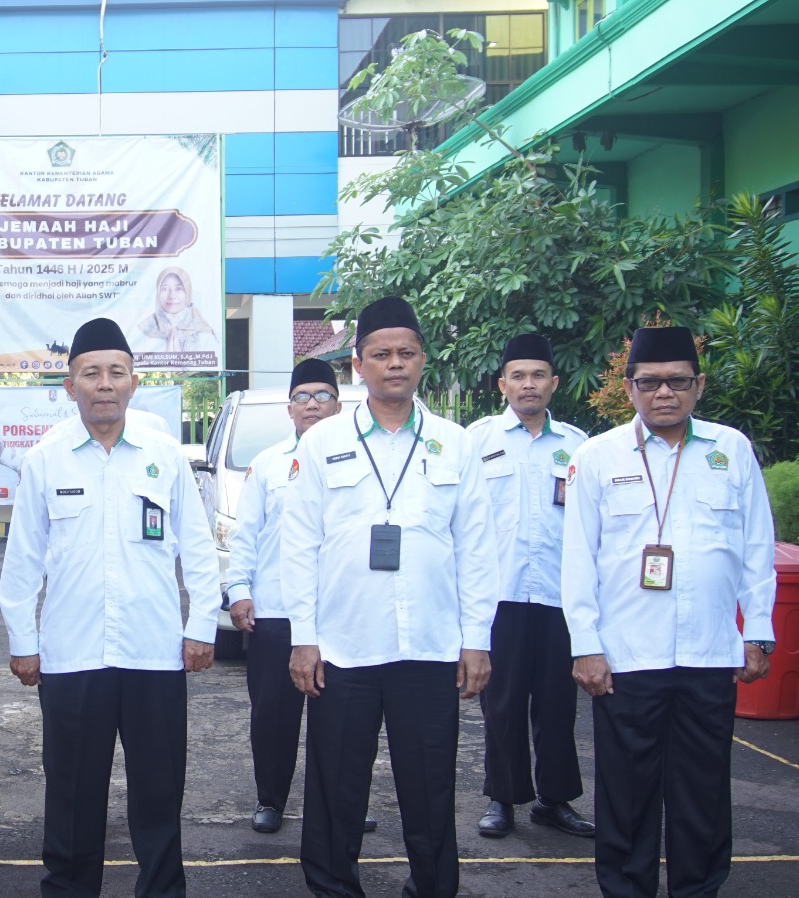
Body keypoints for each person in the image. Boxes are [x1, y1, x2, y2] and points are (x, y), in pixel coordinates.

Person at [279, 295, 497, 898]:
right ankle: (333, 888)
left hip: (429, 645)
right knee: (336, 788)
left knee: (430, 788)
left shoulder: (455, 443)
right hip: (343, 646)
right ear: (358, 365)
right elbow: (299, 546)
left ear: (423, 360)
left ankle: (431, 888)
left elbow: (478, 549)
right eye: (380, 354)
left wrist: (477, 640)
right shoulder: (322, 443)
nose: (394, 363)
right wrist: (304, 639)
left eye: (406, 353)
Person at [0, 317, 221, 898]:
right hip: (72, 657)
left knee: (159, 794)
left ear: (133, 382)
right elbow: (22, 562)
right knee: (72, 796)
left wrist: (201, 625)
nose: (104, 384)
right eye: (91, 373)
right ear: (69, 386)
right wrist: (23, 641)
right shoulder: (46, 459)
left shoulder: (164, 455)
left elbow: (198, 549)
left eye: (116, 373)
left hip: (154, 653)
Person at [562, 325, 775, 898]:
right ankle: (626, 889)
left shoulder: (730, 450)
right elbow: (577, 559)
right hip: (628, 656)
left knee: (703, 789)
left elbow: (757, 546)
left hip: (709, 652)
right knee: (627, 791)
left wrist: (758, 630)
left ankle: (697, 888)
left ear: (698, 385)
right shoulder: (596, 456)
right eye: (650, 382)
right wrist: (585, 645)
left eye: (678, 382)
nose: (664, 393)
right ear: (628, 387)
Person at [226, 358, 374, 836]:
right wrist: (239, 590)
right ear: (289, 408)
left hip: (342, 611)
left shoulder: (363, 459)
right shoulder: (268, 464)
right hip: (277, 610)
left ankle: (343, 804)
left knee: (344, 719)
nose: (313, 405)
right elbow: (246, 534)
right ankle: (270, 799)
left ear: (338, 405)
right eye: (302, 397)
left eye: (323, 395)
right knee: (274, 714)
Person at [465, 334, 594, 840]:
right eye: (517, 376)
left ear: (554, 383)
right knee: (502, 702)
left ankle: (555, 799)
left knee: (559, 704)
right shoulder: (477, 441)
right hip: (500, 596)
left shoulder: (578, 445)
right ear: (502, 384)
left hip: (561, 596)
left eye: (538, 375)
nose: (528, 384)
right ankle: (503, 797)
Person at [132, 266, 218, 357]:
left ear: (188, 292)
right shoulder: (144, 332)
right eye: (164, 289)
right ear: (157, 293)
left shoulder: (204, 334)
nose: (172, 296)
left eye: (178, 289)